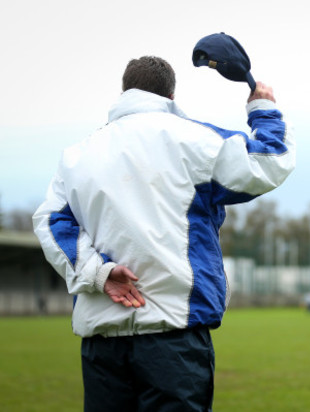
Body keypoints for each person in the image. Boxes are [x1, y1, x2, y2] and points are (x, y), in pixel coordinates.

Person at [32, 56, 295, 411]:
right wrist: (262, 108)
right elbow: (269, 161)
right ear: (170, 93)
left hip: (101, 342)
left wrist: (100, 273)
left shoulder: (76, 155)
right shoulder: (195, 139)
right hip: (174, 336)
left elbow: (51, 222)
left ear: (124, 91)